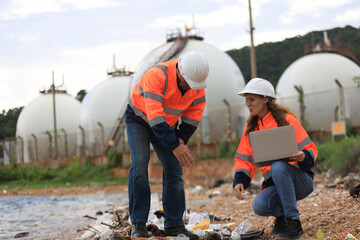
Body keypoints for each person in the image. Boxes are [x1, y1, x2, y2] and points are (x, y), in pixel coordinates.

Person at [125, 50, 209, 240]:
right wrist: (175, 145)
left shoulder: (197, 84)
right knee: (139, 164)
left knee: (174, 169)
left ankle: (174, 225)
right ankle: (138, 223)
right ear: (179, 71)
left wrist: (180, 140)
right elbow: (155, 119)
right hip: (139, 119)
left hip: (166, 124)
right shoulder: (156, 75)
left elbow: (192, 120)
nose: (190, 87)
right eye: (188, 82)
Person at [233, 78, 317, 239]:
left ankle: (293, 223)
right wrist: (240, 180)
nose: (248, 104)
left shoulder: (287, 120)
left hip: (301, 181)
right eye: (247, 100)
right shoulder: (250, 128)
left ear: (265, 99)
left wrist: (303, 156)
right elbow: (244, 159)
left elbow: (311, 150)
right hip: (277, 184)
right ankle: (282, 217)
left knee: (278, 166)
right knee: (259, 205)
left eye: (252, 100)